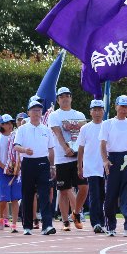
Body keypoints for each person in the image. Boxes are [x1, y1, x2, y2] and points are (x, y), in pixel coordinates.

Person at [14, 99, 56, 235]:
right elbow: (16, 146)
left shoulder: (46, 130)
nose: (37, 113)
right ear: (29, 112)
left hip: (43, 163)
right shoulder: (22, 129)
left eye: (39, 110)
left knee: (44, 195)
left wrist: (53, 166)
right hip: (28, 163)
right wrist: (25, 150)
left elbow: (51, 149)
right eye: (34, 110)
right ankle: (27, 226)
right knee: (27, 195)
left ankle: (47, 225)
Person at [48, 87, 87, 231]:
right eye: (61, 96)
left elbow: (83, 135)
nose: (64, 98)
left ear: (71, 98)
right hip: (62, 158)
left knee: (84, 187)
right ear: (58, 100)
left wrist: (80, 151)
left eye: (67, 96)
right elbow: (57, 134)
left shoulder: (80, 114)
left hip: (78, 157)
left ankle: (76, 212)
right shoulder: (54, 115)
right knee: (64, 190)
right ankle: (65, 221)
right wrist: (66, 149)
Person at [100, 95, 127, 237]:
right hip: (113, 160)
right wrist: (105, 160)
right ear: (116, 106)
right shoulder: (107, 124)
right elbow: (103, 144)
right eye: (122, 106)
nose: (124, 110)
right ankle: (110, 225)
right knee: (111, 196)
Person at [77, 100, 107, 233]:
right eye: (94, 110)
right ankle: (96, 222)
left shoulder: (107, 126)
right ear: (90, 112)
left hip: (105, 167)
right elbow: (81, 148)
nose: (97, 113)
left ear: (103, 112)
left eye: (99, 110)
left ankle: (103, 220)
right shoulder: (85, 128)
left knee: (103, 195)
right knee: (94, 195)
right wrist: (79, 166)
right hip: (91, 167)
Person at [0, 114, 22, 233]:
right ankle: (1, 217)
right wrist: (4, 167)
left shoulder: (16, 138)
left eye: (10, 123)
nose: (9, 125)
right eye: (6, 123)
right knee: (3, 199)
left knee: (15, 198)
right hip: (2, 171)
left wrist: (17, 167)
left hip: (15, 171)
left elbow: (19, 154)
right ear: (1, 125)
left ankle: (14, 223)